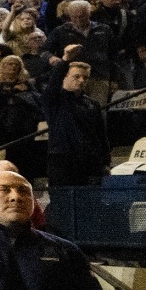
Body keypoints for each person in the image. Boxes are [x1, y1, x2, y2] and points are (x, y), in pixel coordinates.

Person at [38, 56, 109, 190]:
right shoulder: (54, 100)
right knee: (63, 203)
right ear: (65, 77)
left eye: (85, 77)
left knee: (91, 202)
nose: (81, 80)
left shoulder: (92, 104)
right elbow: (53, 84)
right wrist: (64, 60)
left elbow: (101, 134)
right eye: (76, 76)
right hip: (63, 161)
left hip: (90, 161)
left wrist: (105, 162)